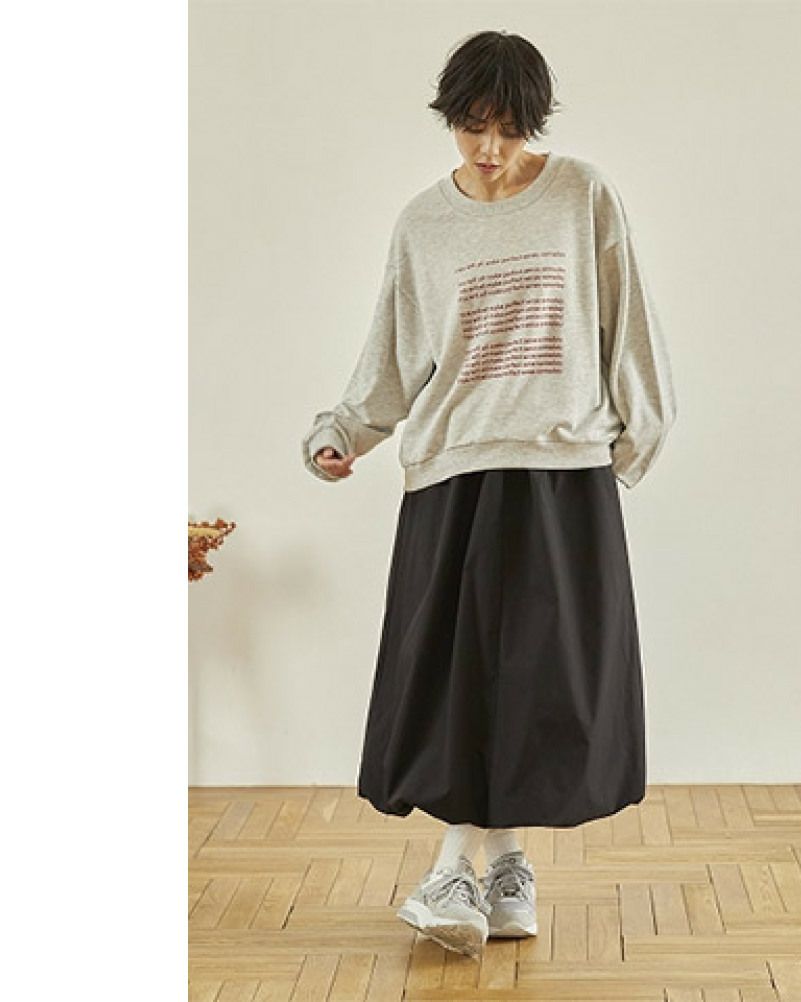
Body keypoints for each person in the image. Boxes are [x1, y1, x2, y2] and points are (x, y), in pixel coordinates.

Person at [301, 29, 677, 958]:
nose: (490, 148)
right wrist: (344, 430)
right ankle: (503, 870)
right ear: (451, 119)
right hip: (453, 472)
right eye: (473, 127)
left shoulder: (582, 194)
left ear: (534, 124)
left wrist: (635, 439)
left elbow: (628, 324)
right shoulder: (423, 224)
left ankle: (451, 872)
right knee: (462, 679)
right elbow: (396, 350)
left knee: (540, 682)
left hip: (560, 471)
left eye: (509, 129)